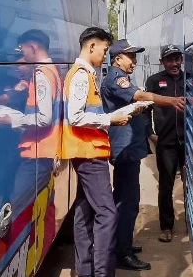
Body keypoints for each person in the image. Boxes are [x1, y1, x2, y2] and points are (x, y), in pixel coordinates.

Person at [100, 39, 186, 271]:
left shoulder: (121, 75)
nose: (135, 61)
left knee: (130, 200)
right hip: (125, 148)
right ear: (117, 58)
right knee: (127, 202)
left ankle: (123, 243)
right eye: (131, 57)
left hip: (131, 147)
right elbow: (138, 96)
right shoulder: (116, 78)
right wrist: (170, 100)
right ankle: (122, 253)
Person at [62, 27, 131, 277]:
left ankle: (86, 270)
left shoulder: (85, 74)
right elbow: (76, 117)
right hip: (89, 153)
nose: (105, 55)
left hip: (86, 152)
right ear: (91, 47)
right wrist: (112, 119)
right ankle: (102, 273)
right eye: (104, 50)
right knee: (107, 213)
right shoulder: (81, 75)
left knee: (84, 210)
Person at [0, 29, 63, 275]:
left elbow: (43, 118)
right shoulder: (50, 70)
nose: (21, 54)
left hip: (36, 152)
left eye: (22, 49)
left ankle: (16, 264)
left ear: (32, 47)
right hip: (43, 150)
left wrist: (11, 121)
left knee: (20, 206)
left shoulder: (43, 73)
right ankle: (43, 248)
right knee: (45, 203)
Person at [144, 44, 192, 242]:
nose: (174, 63)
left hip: (189, 142)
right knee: (166, 185)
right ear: (162, 62)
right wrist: (150, 133)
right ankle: (166, 227)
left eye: (177, 59)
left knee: (192, 184)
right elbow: (145, 109)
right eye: (169, 60)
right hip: (166, 142)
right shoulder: (155, 81)